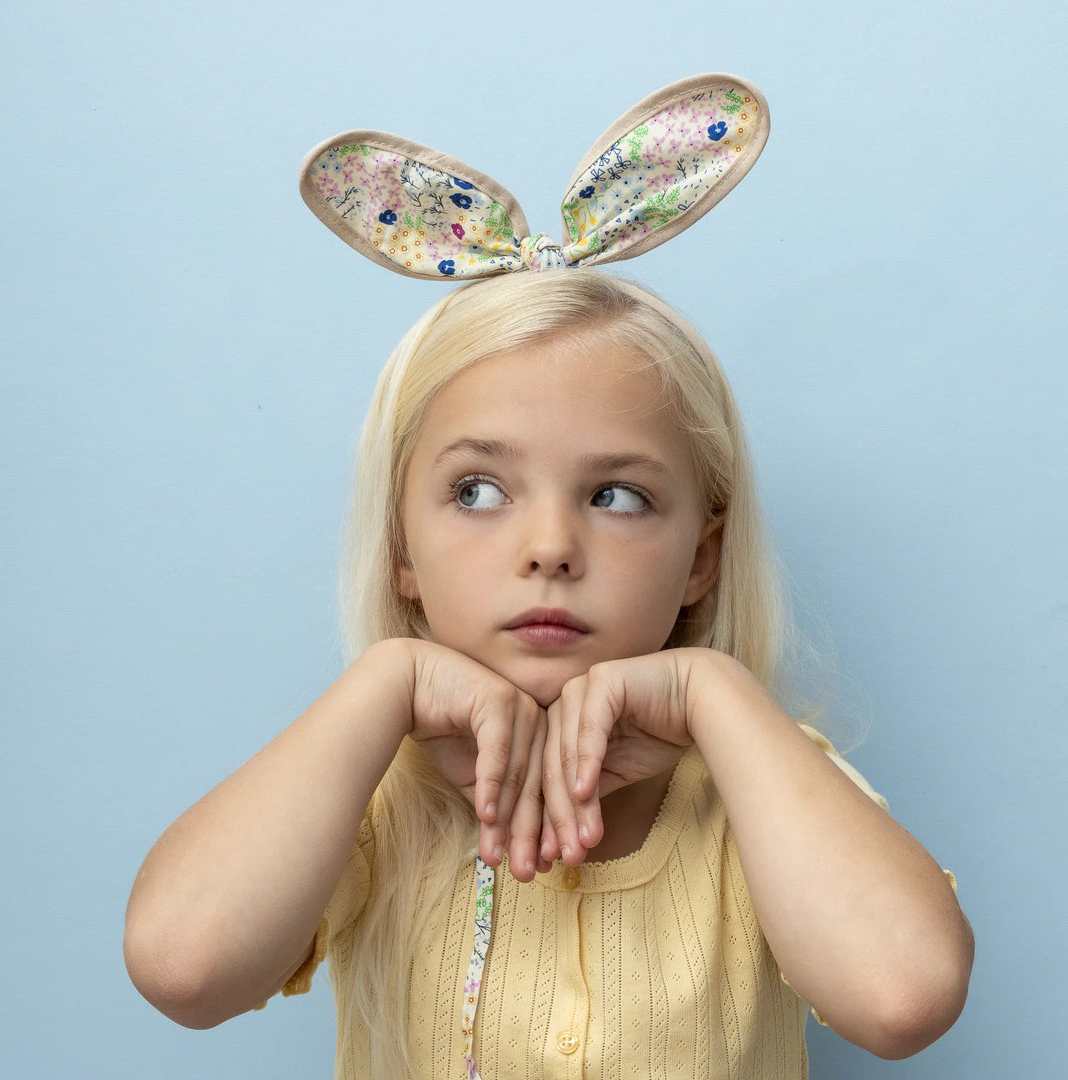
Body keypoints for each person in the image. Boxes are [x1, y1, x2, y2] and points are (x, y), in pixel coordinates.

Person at [124, 78, 973, 1080]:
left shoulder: (760, 785)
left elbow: (903, 997)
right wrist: (383, 686)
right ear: (401, 544)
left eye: (616, 497)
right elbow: (183, 966)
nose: (550, 546)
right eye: (478, 490)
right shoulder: (372, 792)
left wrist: (716, 695)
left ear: (702, 554)